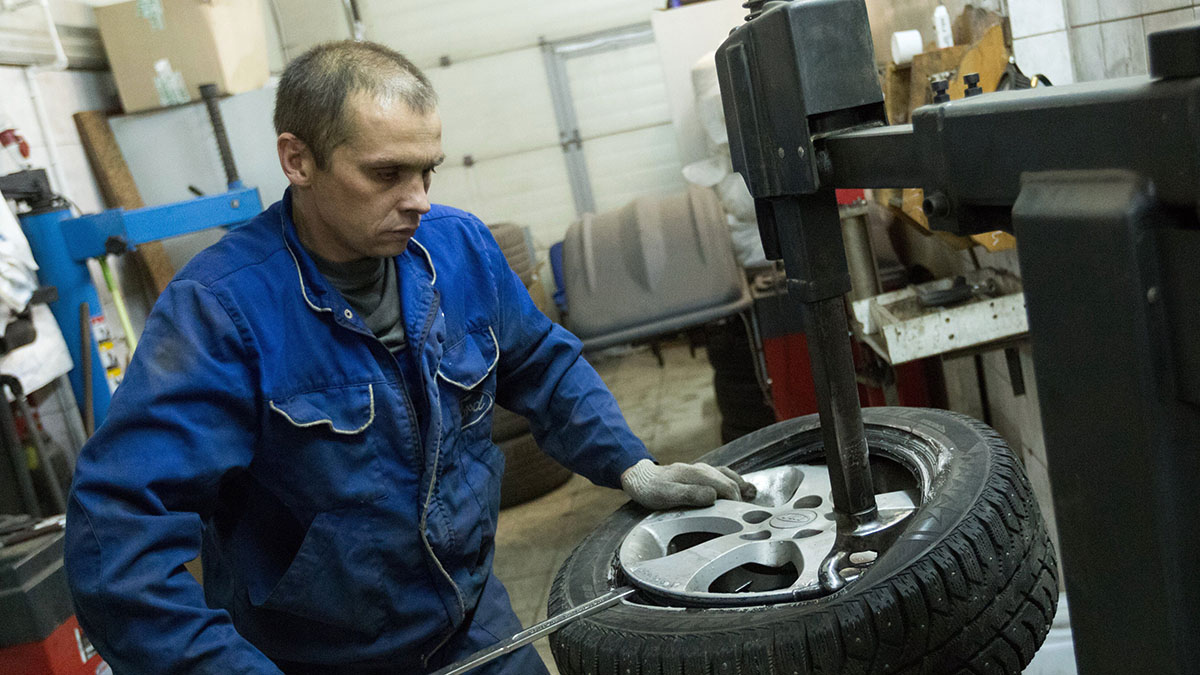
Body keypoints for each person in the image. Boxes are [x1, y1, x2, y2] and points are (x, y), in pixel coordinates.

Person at [64, 40, 755, 674]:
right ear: (297, 160)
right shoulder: (219, 311)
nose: (418, 199)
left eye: (427, 170)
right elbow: (117, 543)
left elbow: (542, 364)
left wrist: (630, 463)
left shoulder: (460, 250)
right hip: (314, 660)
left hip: (474, 627)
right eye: (386, 173)